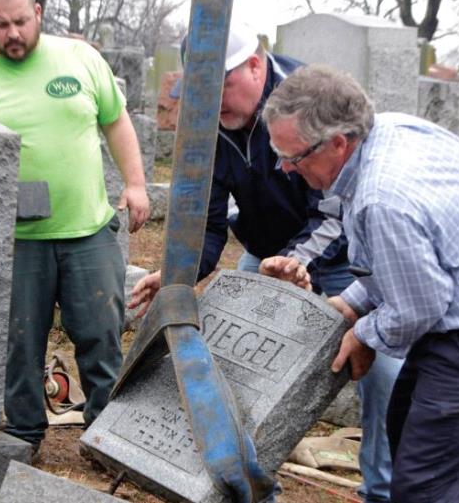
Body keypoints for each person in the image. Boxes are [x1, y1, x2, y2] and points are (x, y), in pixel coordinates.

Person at [129, 26, 402, 503]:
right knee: (244, 372)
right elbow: (209, 223)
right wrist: (179, 277)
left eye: (222, 88)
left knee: (381, 375)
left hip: (340, 257)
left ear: (255, 66)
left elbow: (338, 205)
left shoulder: (305, 100)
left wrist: (297, 262)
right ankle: (252, 488)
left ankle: (383, 492)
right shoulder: (209, 123)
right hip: (267, 251)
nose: (213, 104)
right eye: (201, 92)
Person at [261, 64, 459, 502]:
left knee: (423, 486)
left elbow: (421, 305)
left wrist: (363, 332)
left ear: (338, 142)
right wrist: (353, 302)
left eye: (294, 157)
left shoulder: (383, 197)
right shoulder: (391, 132)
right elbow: (409, 263)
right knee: (406, 435)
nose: (284, 168)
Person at [0, 0, 149, 457]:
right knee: (20, 340)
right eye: (0, 25)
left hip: (89, 228)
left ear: (37, 14)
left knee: (101, 335)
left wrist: (136, 183)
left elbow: (115, 120)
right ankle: (24, 434)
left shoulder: (80, 59)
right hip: (14, 239)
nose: (13, 34)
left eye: (20, 22)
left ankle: (105, 436)